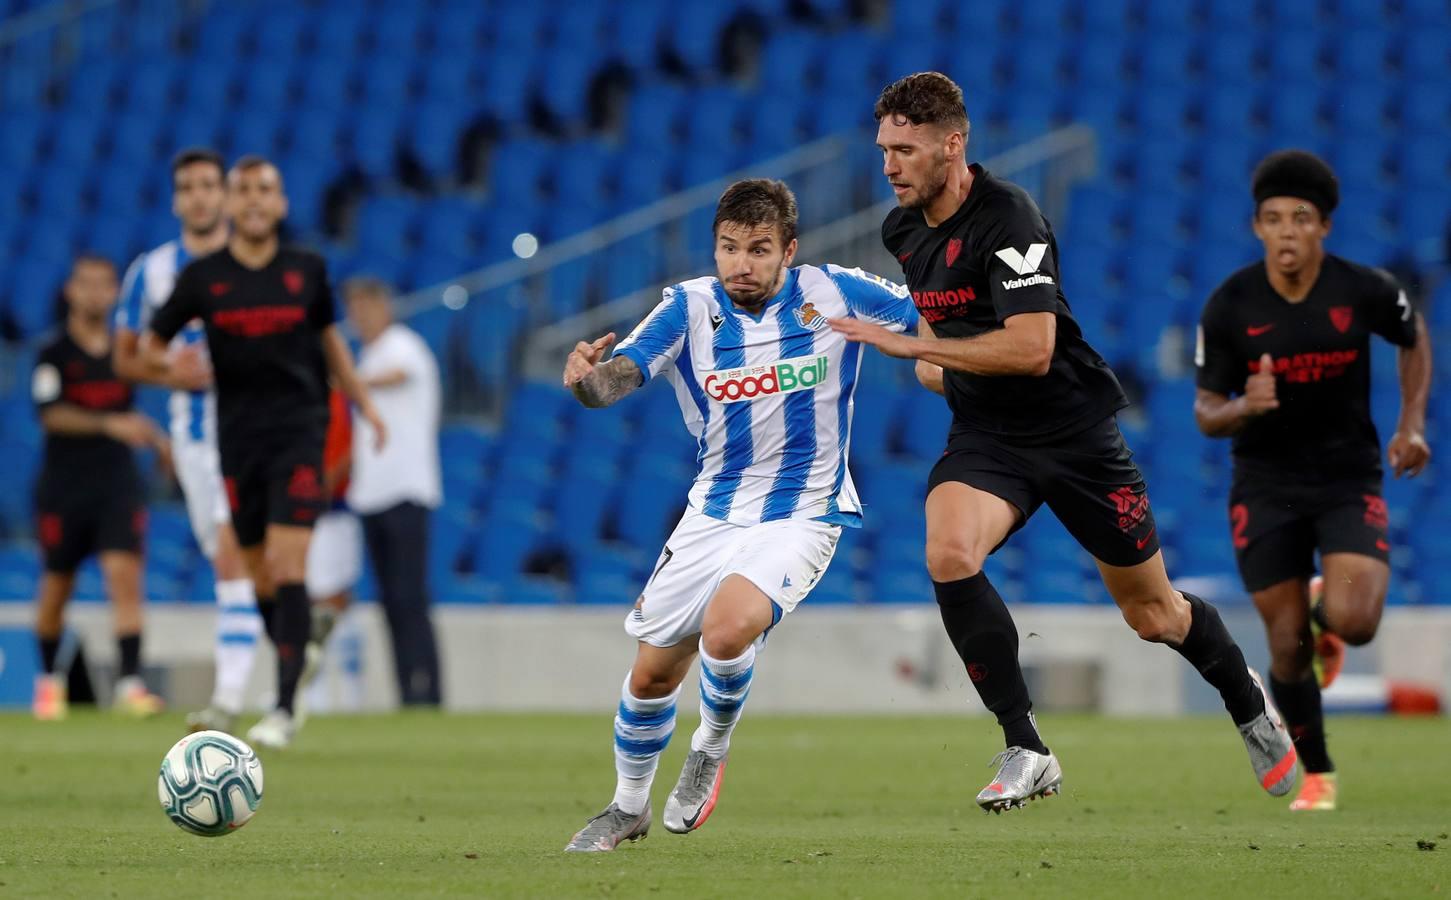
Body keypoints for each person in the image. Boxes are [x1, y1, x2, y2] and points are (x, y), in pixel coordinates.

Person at [831, 72, 1295, 812]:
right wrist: (922, 359)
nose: (888, 164)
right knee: (947, 553)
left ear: (952, 145)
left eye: (905, 149)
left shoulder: (1009, 217)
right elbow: (941, 345)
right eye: (883, 148)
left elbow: (1030, 349)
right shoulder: (901, 230)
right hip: (988, 435)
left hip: (1074, 435)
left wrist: (911, 352)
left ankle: (1246, 700)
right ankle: (1026, 747)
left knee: (1152, 617)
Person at [561, 179, 919, 852]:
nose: (740, 264)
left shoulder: (835, 291)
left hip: (805, 510)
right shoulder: (688, 307)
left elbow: (931, 317)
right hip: (713, 511)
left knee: (726, 633)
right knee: (651, 675)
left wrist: (955, 350)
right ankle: (626, 806)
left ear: (789, 250)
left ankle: (708, 749)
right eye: (728, 248)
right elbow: (617, 380)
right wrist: (586, 380)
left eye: (757, 250)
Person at [1194, 150, 1432, 812]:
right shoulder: (1230, 305)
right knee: (1286, 645)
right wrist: (1245, 406)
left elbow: (1412, 337)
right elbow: (1205, 412)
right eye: (1272, 219)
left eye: (1300, 218)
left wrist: (1410, 424)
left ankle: (1332, 608)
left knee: (1353, 623)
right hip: (1264, 485)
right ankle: (1319, 772)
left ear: (1323, 226)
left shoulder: (1364, 290)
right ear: (1256, 228)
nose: (1286, 231)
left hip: (1345, 477)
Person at [140, 155, 386, 749]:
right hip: (236, 439)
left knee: (286, 562)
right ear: (230, 204)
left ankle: (281, 706)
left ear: (280, 204)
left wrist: (365, 408)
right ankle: (299, 652)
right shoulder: (204, 277)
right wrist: (171, 370)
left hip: (299, 432)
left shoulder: (306, 270)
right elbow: (149, 348)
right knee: (257, 574)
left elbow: (331, 345)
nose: (253, 200)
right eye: (243, 190)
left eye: (265, 190)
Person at [112, 147, 264, 735]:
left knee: (236, 553)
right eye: (188, 187)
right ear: (177, 200)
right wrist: (170, 373)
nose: (199, 196)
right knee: (232, 555)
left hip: (259, 432)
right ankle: (279, 681)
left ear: (224, 196)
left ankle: (230, 698)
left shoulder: (257, 264)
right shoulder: (151, 273)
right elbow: (126, 359)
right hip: (198, 439)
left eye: (209, 185)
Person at [30, 254, 168, 719]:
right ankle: (49, 683)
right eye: (85, 284)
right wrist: (112, 424)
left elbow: (145, 397)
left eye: (103, 285)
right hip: (64, 488)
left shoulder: (123, 353)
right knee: (57, 587)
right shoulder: (53, 354)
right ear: (70, 290)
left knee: (125, 578)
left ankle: (130, 683)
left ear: (114, 293)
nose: (94, 293)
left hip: (116, 483)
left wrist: (158, 438)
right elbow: (52, 414)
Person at [343, 277, 443, 706]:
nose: (360, 316)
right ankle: (407, 692)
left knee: (410, 598)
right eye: (354, 309)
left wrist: (348, 381)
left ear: (385, 307)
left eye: (367, 306)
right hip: (372, 492)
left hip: (405, 489)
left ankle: (428, 692)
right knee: (389, 602)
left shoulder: (404, 345)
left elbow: (397, 375)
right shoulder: (366, 357)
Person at [301, 387, 362, 695]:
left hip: (331, 513)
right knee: (314, 599)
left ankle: (346, 689)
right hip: (310, 511)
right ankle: (320, 689)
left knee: (332, 599)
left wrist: (319, 488)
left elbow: (345, 452)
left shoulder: (333, 399)